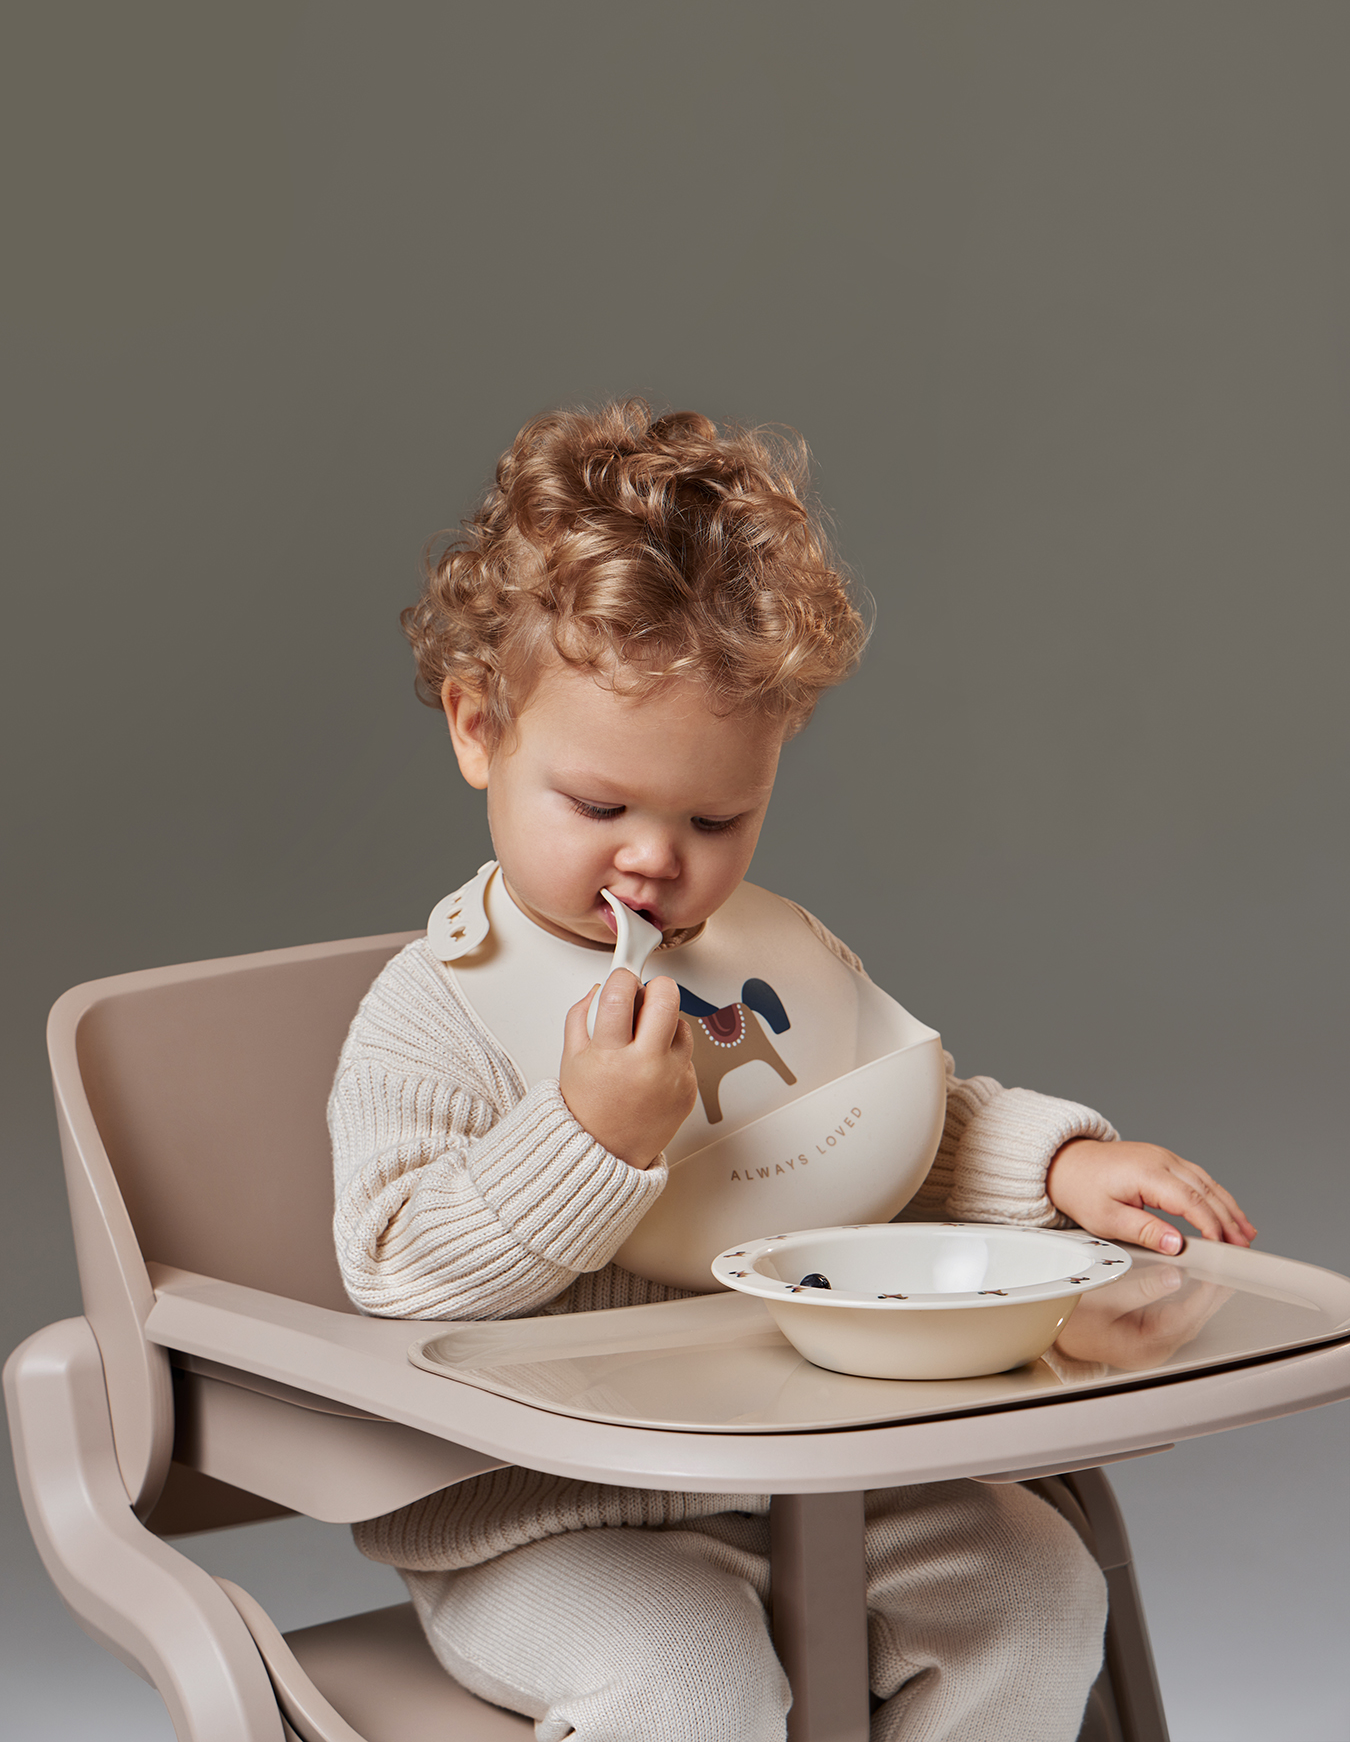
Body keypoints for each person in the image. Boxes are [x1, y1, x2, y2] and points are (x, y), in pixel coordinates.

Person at [329, 401, 1254, 1742]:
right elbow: (397, 1271)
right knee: (692, 1679)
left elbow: (886, 1133)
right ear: (479, 729)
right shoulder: (435, 1012)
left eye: (715, 817)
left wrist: (1058, 1166)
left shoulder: (775, 955)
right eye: (599, 806)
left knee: (1034, 1588)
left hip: (817, 1471)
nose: (656, 860)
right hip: (540, 1519)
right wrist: (586, 1136)